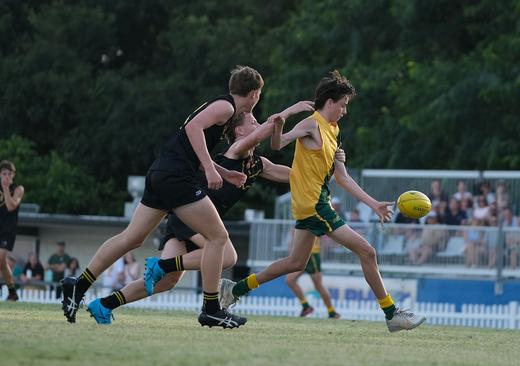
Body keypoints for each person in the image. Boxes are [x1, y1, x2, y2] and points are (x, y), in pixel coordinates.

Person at [219, 71, 425, 332]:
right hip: (314, 204)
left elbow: (342, 178)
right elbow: (278, 144)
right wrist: (281, 123)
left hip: (315, 202)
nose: (344, 111)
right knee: (367, 251)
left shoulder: (333, 131)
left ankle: (234, 290)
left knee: (295, 263)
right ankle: (391, 313)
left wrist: (373, 204)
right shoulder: (311, 124)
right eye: (343, 104)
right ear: (330, 102)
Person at [61, 66, 265, 327]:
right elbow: (193, 128)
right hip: (176, 178)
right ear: (254, 94)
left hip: (162, 172)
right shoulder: (226, 108)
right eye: (258, 95)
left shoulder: (222, 109)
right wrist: (213, 169)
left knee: (132, 238)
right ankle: (212, 308)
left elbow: (191, 147)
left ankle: (78, 285)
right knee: (219, 238)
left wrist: (224, 173)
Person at [86, 110, 324, 324]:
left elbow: (297, 176)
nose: (258, 122)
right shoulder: (235, 151)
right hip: (190, 218)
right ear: (239, 131)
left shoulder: (257, 163)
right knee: (228, 255)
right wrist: (293, 112)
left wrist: (325, 168)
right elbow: (262, 133)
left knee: (166, 281)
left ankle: (104, 305)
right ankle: (162, 266)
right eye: (253, 120)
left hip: (196, 222)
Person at [285, 236, 341, 319]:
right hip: (302, 255)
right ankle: (306, 306)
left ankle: (332, 312)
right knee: (290, 280)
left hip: (312, 255)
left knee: (318, 285)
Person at [0, 160, 24, 301]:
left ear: (13, 176)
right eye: (4, 174)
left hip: (8, 230)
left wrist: (5, 187)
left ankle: (12, 292)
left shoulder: (18, 189)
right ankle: (12, 292)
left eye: (9, 174)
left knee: (0, 259)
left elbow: (10, 206)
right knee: (2, 263)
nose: (7, 176)